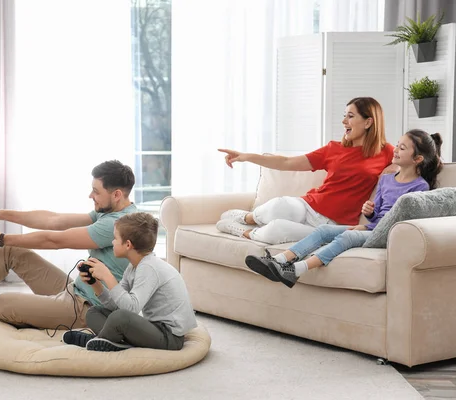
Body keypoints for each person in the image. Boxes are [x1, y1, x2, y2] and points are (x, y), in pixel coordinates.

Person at [0, 160, 137, 330]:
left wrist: (1, 239)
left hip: (87, 308)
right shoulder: (112, 213)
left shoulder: (117, 224)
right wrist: (2, 215)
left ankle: (54, 320)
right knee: (11, 253)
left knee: (2, 304)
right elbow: (55, 220)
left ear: (116, 194)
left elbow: (55, 240)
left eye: (96, 191)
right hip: (74, 291)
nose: (91, 195)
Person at [245, 130, 443, 288]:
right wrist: (370, 211)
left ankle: (296, 270)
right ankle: (278, 261)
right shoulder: (386, 179)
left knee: (347, 236)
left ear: (417, 159)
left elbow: (401, 220)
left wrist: (366, 228)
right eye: (397, 145)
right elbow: (379, 212)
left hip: (386, 235)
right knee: (323, 231)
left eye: (402, 148)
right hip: (373, 229)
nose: (396, 150)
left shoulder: (420, 187)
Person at [216, 97, 395, 247]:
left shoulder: (387, 152)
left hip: (335, 223)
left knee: (276, 230)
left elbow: (408, 166)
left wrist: (393, 169)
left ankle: (243, 231)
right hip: (309, 206)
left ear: (368, 122)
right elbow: (287, 163)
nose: (344, 121)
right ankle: (247, 217)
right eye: (344, 116)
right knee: (280, 206)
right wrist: (247, 156)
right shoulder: (333, 149)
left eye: (350, 116)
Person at [62, 212, 197, 352]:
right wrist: (95, 284)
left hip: (170, 337)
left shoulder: (149, 267)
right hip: (154, 329)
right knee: (93, 312)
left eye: (115, 238)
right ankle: (110, 341)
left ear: (128, 244)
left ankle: (97, 341)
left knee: (120, 318)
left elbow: (131, 308)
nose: (112, 242)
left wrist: (108, 277)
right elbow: (116, 306)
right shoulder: (133, 267)